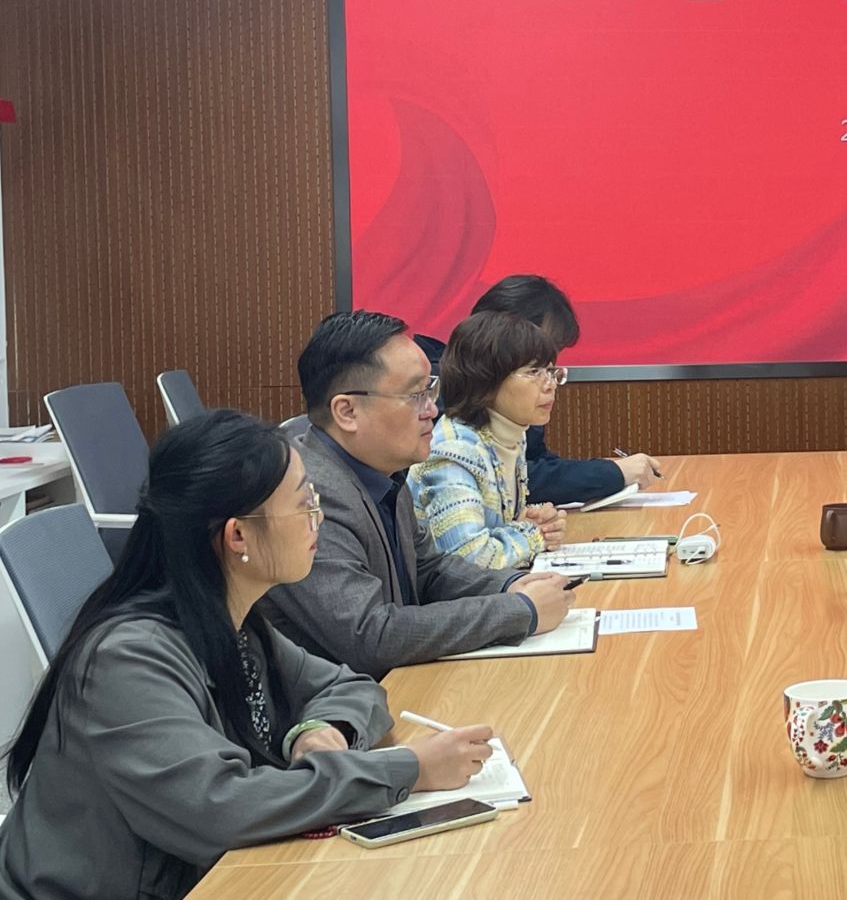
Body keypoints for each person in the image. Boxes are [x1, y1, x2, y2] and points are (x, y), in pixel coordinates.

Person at [0, 409, 495, 900]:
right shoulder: (127, 658)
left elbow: (350, 685)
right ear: (238, 536)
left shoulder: (232, 621)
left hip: (200, 887)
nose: (319, 519)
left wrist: (320, 729)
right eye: (304, 504)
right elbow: (220, 806)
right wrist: (408, 770)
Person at [263, 310, 578, 678]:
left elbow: (429, 569)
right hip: (337, 704)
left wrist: (511, 584)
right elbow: (371, 636)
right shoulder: (307, 495)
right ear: (347, 411)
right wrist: (520, 611)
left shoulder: (380, 470)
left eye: (431, 390)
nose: (431, 410)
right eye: (415, 395)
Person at [415, 274, 661, 505]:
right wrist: (610, 473)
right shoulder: (451, 433)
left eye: (549, 363)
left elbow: (529, 468)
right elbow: (514, 484)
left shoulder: (516, 419)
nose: (549, 380)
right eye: (534, 367)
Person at [409, 311, 571, 569]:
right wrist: (534, 535)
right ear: (486, 380)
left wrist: (529, 523)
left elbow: (495, 529)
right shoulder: (454, 452)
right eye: (533, 372)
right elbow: (469, 559)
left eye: (550, 372)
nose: (550, 385)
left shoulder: (510, 436)